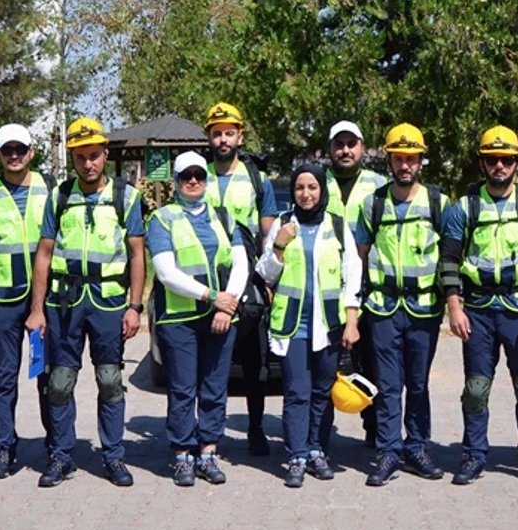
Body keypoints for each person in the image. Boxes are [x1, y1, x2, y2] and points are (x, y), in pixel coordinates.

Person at [25, 118, 145, 488]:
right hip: (65, 304)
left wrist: (135, 306)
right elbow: (44, 255)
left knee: (109, 380)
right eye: (80, 158)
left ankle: (113, 457)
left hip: (108, 303)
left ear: (105, 154)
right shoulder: (59, 197)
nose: (88, 164)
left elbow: (138, 255)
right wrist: (36, 309)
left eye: (94, 156)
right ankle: (61, 456)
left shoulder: (126, 196)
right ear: (72, 159)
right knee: (59, 382)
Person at [440, 125, 518, 486]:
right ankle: (474, 455)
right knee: (476, 389)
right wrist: (455, 309)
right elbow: (449, 262)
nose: (499, 166)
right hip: (476, 311)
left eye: (506, 160)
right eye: (492, 160)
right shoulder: (465, 208)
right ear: (483, 163)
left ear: (517, 163)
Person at [354, 123, 449, 487]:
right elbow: (360, 258)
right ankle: (389, 450)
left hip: (424, 308)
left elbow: (450, 256)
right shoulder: (372, 204)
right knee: (388, 385)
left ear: (421, 161)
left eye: (411, 158)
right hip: (383, 308)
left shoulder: (438, 203)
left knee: (418, 384)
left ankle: (417, 447)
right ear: (389, 161)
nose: (405, 165)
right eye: (398, 159)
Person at [256, 164, 362, 487]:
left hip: (329, 324)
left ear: (322, 190)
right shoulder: (283, 226)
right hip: (292, 325)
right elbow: (265, 273)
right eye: (300, 187)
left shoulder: (339, 225)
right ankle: (296, 456)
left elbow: (352, 273)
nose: (306, 193)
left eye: (312, 187)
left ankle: (318, 450)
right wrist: (278, 246)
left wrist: (352, 320)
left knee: (321, 392)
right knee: (297, 393)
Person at [149, 151, 248, 486]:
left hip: (221, 316)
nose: (193, 181)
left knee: (214, 388)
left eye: (199, 175)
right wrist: (211, 296)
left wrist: (226, 304)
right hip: (179, 319)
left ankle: (208, 452)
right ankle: (182, 455)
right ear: (175, 181)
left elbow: (240, 263)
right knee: (182, 388)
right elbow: (165, 272)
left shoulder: (223, 216)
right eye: (186, 175)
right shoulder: (162, 219)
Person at [0, 124, 55, 479]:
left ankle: (55, 445)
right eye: (7, 150)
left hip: (44, 302)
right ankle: (4, 447)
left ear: (32, 152)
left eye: (20, 149)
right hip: (2, 299)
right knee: (4, 378)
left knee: (47, 377)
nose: (14, 155)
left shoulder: (51, 188)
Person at [203, 102, 278, 456]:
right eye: (216, 133)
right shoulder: (195, 175)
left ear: (239, 136)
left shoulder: (256, 179)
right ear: (209, 137)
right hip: (208, 278)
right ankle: (208, 433)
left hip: (248, 278)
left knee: (254, 361)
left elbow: (267, 233)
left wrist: (269, 280)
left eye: (228, 132)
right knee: (210, 361)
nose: (222, 139)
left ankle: (256, 428)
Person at [325, 120, 387, 448]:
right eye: (339, 144)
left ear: (363, 148)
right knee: (326, 367)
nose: (345, 150)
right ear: (330, 149)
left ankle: (376, 434)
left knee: (374, 362)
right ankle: (319, 439)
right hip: (327, 289)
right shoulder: (317, 183)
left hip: (371, 289)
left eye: (352, 143)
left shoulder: (379, 185)